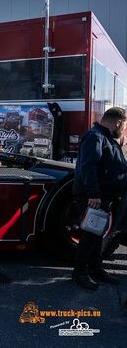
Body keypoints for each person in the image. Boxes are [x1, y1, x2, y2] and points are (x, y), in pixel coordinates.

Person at [71, 107, 127, 290]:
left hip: (104, 196)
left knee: (96, 235)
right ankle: (80, 273)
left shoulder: (106, 137)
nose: (123, 129)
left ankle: (95, 269)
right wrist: (94, 194)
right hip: (94, 197)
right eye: (124, 125)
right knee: (90, 236)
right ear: (118, 122)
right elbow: (89, 167)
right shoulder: (95, 137)